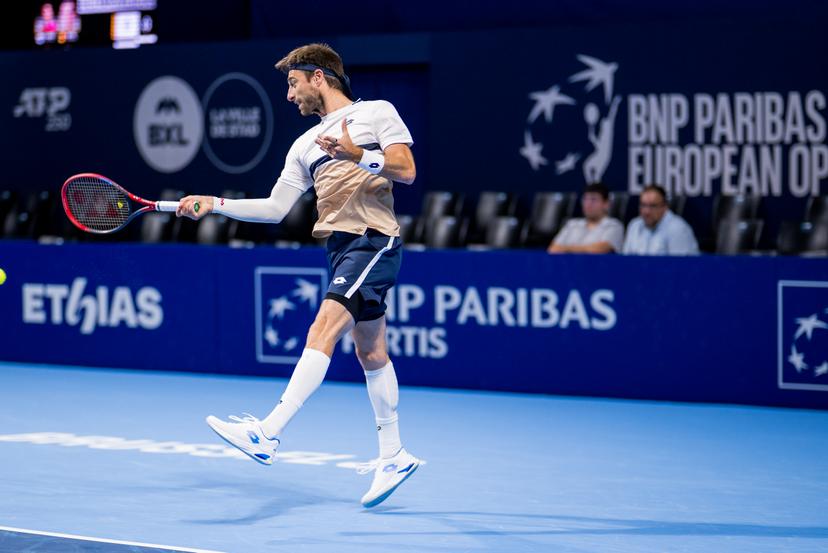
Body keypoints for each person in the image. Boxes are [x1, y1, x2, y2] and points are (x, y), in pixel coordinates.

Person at [175, 43, 420, 508]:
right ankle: (394, 455)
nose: (289, 95)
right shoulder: (304, 145)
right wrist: (215, 203)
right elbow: (275, 208)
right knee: (370, 351)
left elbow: (406, 170)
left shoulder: (376, 113)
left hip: (373, 239)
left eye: (293, 83)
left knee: (322, 328)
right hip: (340, 248)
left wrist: (358, 155)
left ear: (319, 77)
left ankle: (269, 432)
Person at [547, 182, 624, 254]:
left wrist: (566, 248)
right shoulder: (572, 224)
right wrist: (586, 248)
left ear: (606, 204)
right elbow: (553, 249)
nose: (588, 204)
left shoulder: (614, 226)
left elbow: (600, 249)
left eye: (593, 200)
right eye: (585, 199)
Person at [622, 184, 699, 255]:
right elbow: (626, 261)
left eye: (653, 206)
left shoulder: (678, 229)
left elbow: (681, 264)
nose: (647, 211)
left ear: (664, 206)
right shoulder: (634, 225)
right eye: (643, 205)